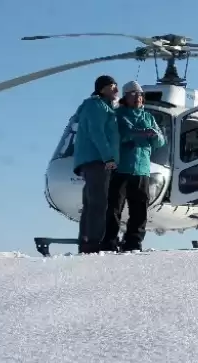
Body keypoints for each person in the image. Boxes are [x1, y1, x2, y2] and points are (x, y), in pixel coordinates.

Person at [102, 80, 165, 252]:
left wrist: (152, 135)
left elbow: (160, 141)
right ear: (125, 97)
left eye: (139, 94)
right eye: (133, 94)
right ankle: (109, 241)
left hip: (142, 169)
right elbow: (118, 135)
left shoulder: (148, 117)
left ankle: (133, 242)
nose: (137, 97)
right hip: (121, 168)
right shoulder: (118, 115)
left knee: (139, 210)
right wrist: (140, 134)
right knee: (114, 208)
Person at [72, 75, 121, 254]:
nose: (116, 89)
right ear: (102, 89)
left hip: (93, 160)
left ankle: (87, 242)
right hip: (97, 160)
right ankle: (93, 243)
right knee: (98, 204)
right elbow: (97, 133)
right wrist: (108, 157)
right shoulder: (96, 106)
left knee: (91, 203)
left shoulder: (101, 106)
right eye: (112, 86)